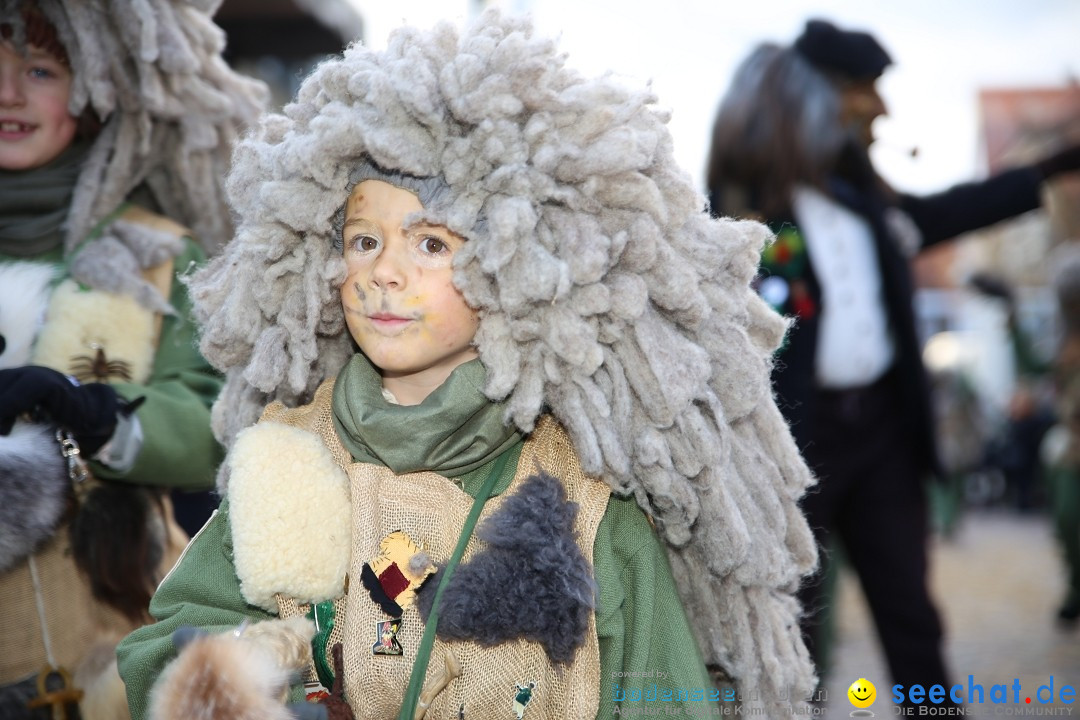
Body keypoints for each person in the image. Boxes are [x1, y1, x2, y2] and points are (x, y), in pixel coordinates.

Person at [116, 11, 820, 720]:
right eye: (363, 240)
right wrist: (253, 693)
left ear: (517, 264)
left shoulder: (590, 499)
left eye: (430, 245)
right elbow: (162, 651)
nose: (384, 272)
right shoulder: (290, 458)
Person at [705, 17, 1080, 700]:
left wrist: (1052, 166)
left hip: (882, 435)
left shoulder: (867, 207)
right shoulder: (749, 211)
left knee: (910, 615)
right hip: (793, 444)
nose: (878, 111)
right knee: (794, 622)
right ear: (817, 98)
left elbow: (949, 210)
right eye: (863, 91)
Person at [0, 1, 265, 717]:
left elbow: (220, 420)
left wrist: (91, 414)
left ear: (96, 89)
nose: (7, 93)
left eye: (39, 69)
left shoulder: (162, 252)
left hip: (112, 652)